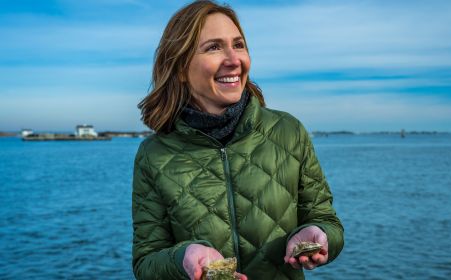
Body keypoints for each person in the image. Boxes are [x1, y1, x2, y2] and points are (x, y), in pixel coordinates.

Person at [132, 1, 344, 279]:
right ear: (181, 68)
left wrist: (320, 234)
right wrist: (183, 258)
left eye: (239, 45)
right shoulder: (154, 154)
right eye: (214, 47)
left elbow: (325, 220)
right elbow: (146, 262)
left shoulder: (288, 131)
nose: (234, 60)